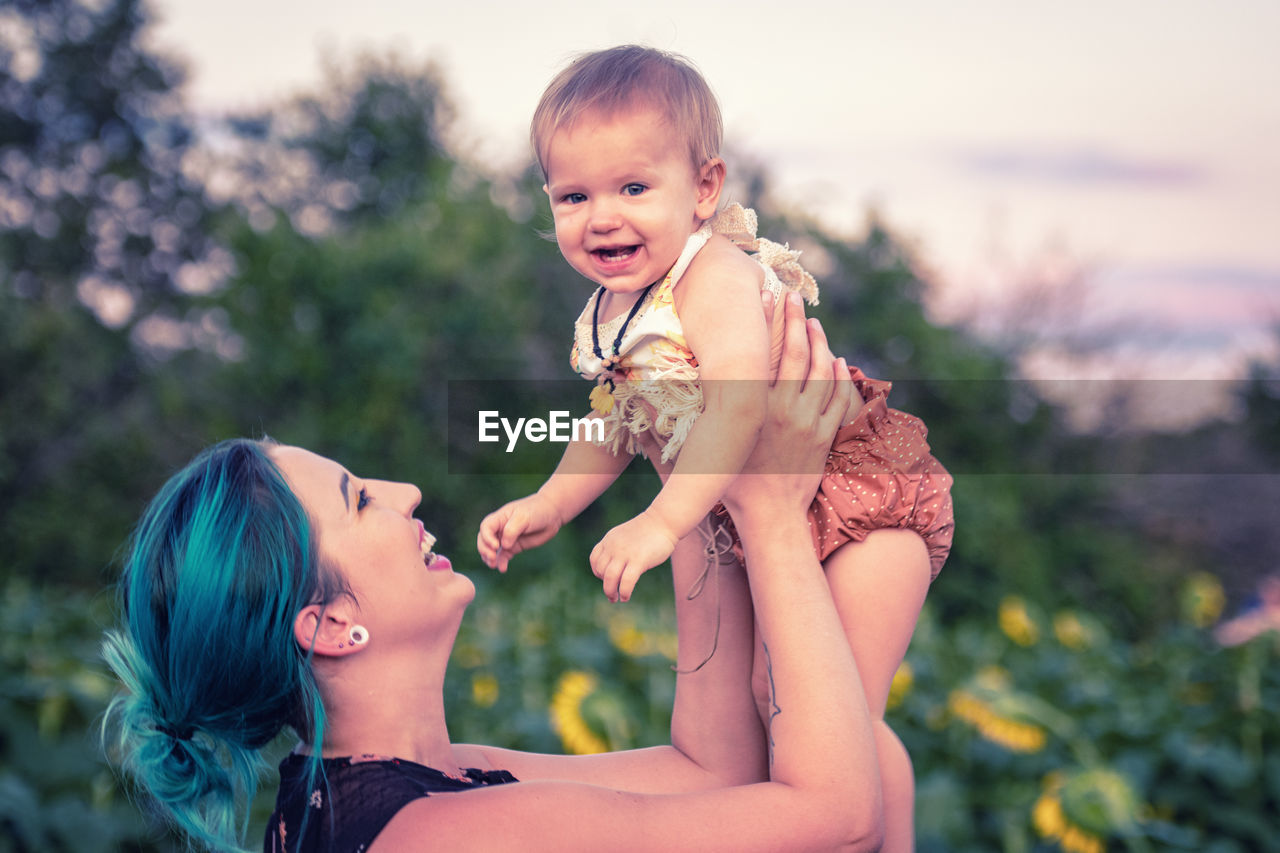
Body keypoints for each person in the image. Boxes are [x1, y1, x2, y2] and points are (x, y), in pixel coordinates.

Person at [101, 297, 885, 852]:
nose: (405, 493)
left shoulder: (399, 788)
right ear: (329, 624)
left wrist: (693, 467)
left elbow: (714, 771)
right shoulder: (449, 833)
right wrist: (774, 518)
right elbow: (843, 823)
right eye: (360, 498)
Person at [477, 44, 954, 850]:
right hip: (767, 506)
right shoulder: (614, 311)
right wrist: (549, 502)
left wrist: (664, 522)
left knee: (816, 705)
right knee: (775, 716)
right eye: (573, 195)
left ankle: (891, 829)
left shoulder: (715, 273)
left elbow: (737, 407)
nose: (602, 215)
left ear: (704, 188)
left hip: (863, 500)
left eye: (633, 187)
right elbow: (616, 419)